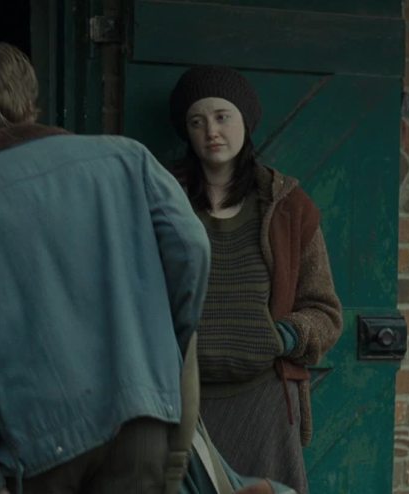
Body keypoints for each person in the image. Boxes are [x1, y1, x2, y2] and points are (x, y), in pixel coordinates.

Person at [0, 41, 211, 494]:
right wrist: (162, 348)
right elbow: (192, 249)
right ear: (30, 102)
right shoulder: (127, 159)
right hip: (140, 421)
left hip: (39, 443)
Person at [167, 65, 343, 494]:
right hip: (182, 407)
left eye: (222, 116)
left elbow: (325, 312)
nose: (211, 131)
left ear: (245, 121)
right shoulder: (163, 200)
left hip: (263, 406)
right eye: (197, 121)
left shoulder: (288, 208)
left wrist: (280, 336)